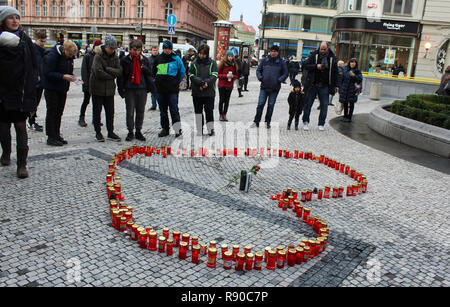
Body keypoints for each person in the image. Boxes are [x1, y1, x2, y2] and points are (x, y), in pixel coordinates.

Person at [0, 6, 38, 178]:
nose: (15, 21)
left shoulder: (25, 39)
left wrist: (33, 82)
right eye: (11, 18)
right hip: (2, 92)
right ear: (3, 21)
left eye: (17, 17)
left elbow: (34, 64)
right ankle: (6, 152)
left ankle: (22, 164)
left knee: (21, 127)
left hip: (21, 92)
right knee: (3, 127)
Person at [118, 39, 154, 142]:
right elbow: (121, 76)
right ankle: (130, 131)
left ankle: (138, 130)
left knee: (140, 111)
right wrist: (121, 89)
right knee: (130, 111)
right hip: (130, 89)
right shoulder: (125, 60)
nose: (136, 52)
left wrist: (145, 69)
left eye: (138, 50)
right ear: (130, 49)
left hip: (142, 89)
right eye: (134, 49)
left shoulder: (144, 60)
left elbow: (150, 74)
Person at [43, 40, 78, 146]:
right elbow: (47, 72)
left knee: (59, 113)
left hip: (62, 88)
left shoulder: (69, 58)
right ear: (64, 50)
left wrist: (71, 77)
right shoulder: (53, 55)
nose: (71, 56)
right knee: (52, 112)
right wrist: (63, 76)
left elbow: (68, 70)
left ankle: (56, 134)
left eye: (72, 55)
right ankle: (51, 137)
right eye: (70, 54)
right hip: (52, 88)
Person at [89, 34, 122, 142]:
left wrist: (107, 69)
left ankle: (110, 132)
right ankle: (98, 132)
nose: (112, 50)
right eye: (111, 48)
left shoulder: (115, 56)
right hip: (97, 89)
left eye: (114, 48)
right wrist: (111, 75)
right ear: (106, 46)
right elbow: (98, 72)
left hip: (109, 90)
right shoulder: (98, 56)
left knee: (110, 112)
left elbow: (119, 71)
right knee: (97, 111)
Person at [301, 41, 338, 131]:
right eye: (321, 49)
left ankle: (321, 123)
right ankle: (306, 121)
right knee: (308, 104)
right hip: (312, 84)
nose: (322, 51)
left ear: (328, 48)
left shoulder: (332, 58)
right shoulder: (314, 55)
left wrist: (336, 85)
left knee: (324, 105)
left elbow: (335, 72)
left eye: (324, 49)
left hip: (324, 85)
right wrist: (316, 66)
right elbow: (305, 65)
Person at [152, 40, 185, 138]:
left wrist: (175, 83)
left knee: (174, 110)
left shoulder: (177, 59)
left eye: (169, 48)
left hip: (172, 90)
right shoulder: (158, 59)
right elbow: (153, 71)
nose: (167, 50)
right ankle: (165, 129)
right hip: (160, 90)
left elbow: (182, 72)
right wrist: (156, 82)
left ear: (171, 49)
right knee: (163, 111)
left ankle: (177, 129)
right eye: (165, 48)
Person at [251, 45, 288, 129]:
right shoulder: (264, 61)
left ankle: (267, 122)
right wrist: (260, 78)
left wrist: (279, 80)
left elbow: (285, 73)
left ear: (278, 52)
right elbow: (258, 70)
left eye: (275, 51)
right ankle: (256, 121)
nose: (273, 52)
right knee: (260, 104)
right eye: (272, 51)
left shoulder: (281, 62)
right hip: (264, 86)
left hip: (274, 88)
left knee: (271, 105)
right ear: (270, 52)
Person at [188, 44, 218, 136]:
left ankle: (210, 129)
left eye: (204, 54)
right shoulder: (194, 63)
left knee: (209, 111)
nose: (202, 56)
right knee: (198, 111)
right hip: (197, 91)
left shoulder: (212, 63)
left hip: (209, 92)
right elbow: (191, 75)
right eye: (200, 54)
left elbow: (214, 76)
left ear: (207, 54)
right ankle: (199, 129)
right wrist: (200, 83)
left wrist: (206, 83)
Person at [79, 39, 102, 127]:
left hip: (97, 84)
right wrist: (85, 84)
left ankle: (96, 119)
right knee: (86, 101)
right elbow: (84, 71)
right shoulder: (88, 56)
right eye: (98, 46)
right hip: (88, 83)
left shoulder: (101, 56)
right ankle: (81, 117)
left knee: (97, 103)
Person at [28, 29, 47, 132]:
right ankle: (30, 122)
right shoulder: (33, 50)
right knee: (33, 103)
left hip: (41, 82)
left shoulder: (42, 51)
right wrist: (36, 75)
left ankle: (32, 120)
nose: (43, 43)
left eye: (44, 41)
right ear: (36, 39)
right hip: (35, 82)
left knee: (36, 103)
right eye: (41, 41)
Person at [339, 58, 363, 122]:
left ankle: (349, 117)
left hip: (352, 90)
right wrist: (340, 88)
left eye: (354, 62)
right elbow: (342, 79)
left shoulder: (357, 71)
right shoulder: (346, 70)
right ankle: (345, 116)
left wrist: (354, 75)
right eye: (351, 62)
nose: (353, 63)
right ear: (349, 63)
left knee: (351, 103)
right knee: (345, 103)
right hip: (345, 89)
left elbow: (360, 79)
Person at [217, 50, 238, 122]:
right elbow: (218, 75)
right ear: (226, 56)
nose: (230, 58)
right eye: (229, 56)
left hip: (229, 85)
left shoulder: (234, 64)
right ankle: (220, 115)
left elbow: (236, 75)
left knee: (227, 101)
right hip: (222, 85)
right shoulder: (222, 64)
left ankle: (224, 114)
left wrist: (233, 76)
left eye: (232, 56)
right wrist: (226, 75)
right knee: (221, 100)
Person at [147, 45, 159, 111]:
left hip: (159, 78)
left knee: (159, 93)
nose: (155, 51)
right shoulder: (149, 59)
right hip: (151, 77)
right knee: (153, 93)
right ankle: (153, 105)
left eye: (156, 50)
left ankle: (160, 105)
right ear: (151, 51)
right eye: (154, 50)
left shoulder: (160, 58)